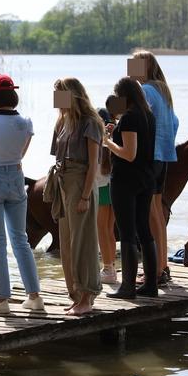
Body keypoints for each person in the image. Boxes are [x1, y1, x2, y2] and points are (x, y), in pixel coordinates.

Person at [0, 74, 44, 314]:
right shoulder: (26, 123)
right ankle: (34, 296)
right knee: (21, 240)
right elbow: (21, 154)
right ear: (13, 95)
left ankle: (2, 300)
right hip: (16, 177)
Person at [49, 77, 103, 315]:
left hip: (82, 181)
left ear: (72, 95)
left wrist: (84, 196)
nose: (56, 100)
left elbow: (94, 164)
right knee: (67, 242)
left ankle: (87, 295)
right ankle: (75, 293)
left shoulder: (90, 122)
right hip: (63, 181)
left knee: (84, 242)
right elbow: (55, 156)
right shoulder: (61, 122)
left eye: (60, 94)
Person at [104, 77, 158, 299]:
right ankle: (151, 284)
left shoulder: (129, 117)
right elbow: (138, 145)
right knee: (144, 230)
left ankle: (127, 287)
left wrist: (108, 141)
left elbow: (129, 153)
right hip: (146, 178)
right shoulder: (148, 115)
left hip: (126, 180)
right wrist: (116, 130)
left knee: (127, 233)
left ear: (124, 96)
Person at [131, 50, 179, 285]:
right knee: (158, 212)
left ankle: (155, 270)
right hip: (164, 157)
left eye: (135, 65)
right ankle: (163, 265)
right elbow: (176, 121)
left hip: (149, 158)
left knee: (150, 215)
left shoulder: (145, 90)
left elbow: (136, 120)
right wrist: (165, 141)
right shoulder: (163, 90)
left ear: (145, 68)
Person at [97, 102, 117, 284]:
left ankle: (108, 269)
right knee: (109, 230)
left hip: (102, 188)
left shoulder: (100, 141)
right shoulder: (112, 139)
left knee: (102, 230)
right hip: (113, 187)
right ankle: (111, 267)